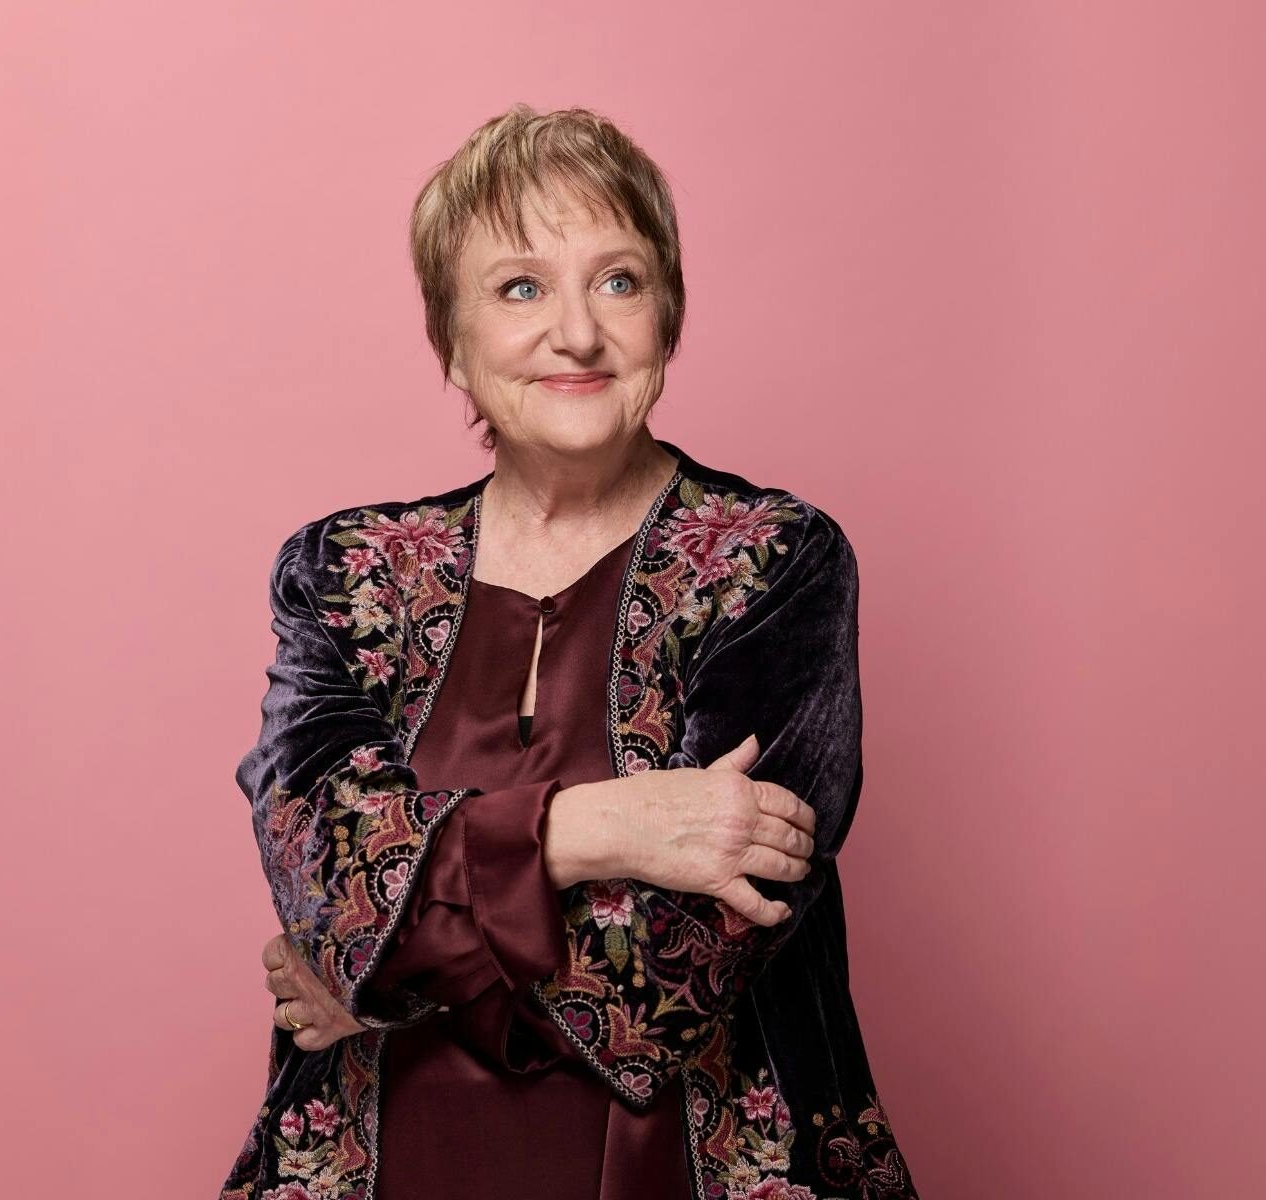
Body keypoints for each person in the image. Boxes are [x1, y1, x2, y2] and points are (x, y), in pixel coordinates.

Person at [220, 103, 918, 1200]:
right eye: (518, 287)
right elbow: (323, 872)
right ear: (451, 339)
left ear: (668, 315)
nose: (578, 335)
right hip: (381, 1159)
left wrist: (384, 975)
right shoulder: (343, 571)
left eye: (618, 281)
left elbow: (684, 968)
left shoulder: (776, 561)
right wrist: (585, 828)